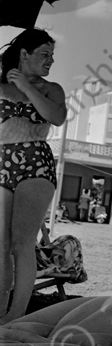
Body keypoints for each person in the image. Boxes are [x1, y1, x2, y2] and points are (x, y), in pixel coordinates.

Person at [0, 29, 67, 324]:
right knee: (1, 243)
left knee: (22, 242)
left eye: (52, 55)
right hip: (1, 162)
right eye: (44, 54)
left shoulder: (52, 89)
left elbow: (57, 117)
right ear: (24, 54)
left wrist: (27, 88)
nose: (50, 60)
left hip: (35, 164)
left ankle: (16, 315)